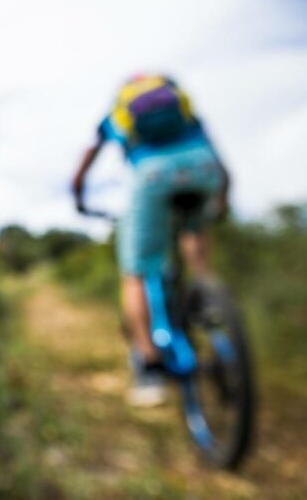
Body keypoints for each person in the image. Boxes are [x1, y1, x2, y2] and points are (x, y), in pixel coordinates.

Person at [71, 74, 229, 407]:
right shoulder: (185, 110)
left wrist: (79, 194)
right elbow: (214, 151)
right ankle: (206, 293)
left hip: (152, 175)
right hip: (202, 169)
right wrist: (223, 191)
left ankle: (149, 364)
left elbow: (87, 160)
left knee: (136, 273)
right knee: (193, 232)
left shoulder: (117, 114)